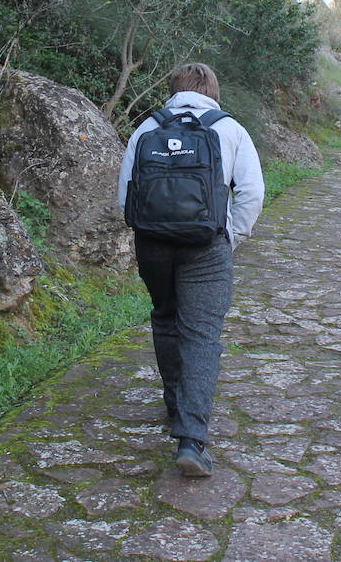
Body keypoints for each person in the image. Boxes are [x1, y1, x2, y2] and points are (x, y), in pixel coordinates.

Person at [116, 63, 264, 477]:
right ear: (213, 93)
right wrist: (229, 236)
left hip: (153, 245)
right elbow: (251, 192)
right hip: (207, 245)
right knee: (202, 336)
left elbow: (123, 195)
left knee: (165, 319)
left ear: (173, 91)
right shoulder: (229, 128)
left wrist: (150, 231)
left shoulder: (147, 128)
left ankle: (173, 401)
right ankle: (191, 440)